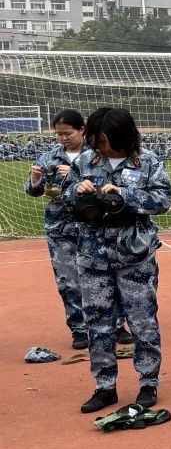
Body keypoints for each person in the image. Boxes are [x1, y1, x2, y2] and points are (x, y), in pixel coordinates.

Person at [68, 107, 171, 412]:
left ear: (125, 136)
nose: (102, 147)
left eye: (107, 141)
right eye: (97, 141)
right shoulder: (85, 161)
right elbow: (66, 196)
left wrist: (125, 195)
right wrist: (77, 190)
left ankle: (148, 382)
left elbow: (163, 200)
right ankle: (105, 387)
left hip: (134, 255)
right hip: (93, 256)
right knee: (98, 322)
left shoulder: (148, 161)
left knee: (142, 321)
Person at [25, 110, 91, 349]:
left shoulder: (96, 154)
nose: (63, 138)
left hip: (92, 224)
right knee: (67, 280)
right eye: (59, 134)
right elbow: (33, 191)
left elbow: (106, 183)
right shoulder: (49, 157)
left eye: (68, 133)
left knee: (100, 277)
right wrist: (35, 179)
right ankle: (79, 329)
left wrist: (75, 175)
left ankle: (113, 325)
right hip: (60, 227)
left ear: (82, 130)